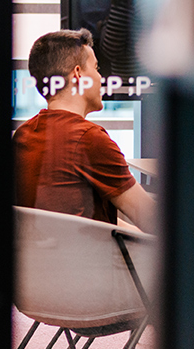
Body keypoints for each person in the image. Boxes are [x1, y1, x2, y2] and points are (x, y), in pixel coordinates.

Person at [14, 28, 155, 233]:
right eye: (97, 68)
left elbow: (82, 220)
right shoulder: (89, 139)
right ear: (79, 74)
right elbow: (152, 220)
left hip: (45, 259)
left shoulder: (24, 134)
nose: (101, 77)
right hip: (93, 262)